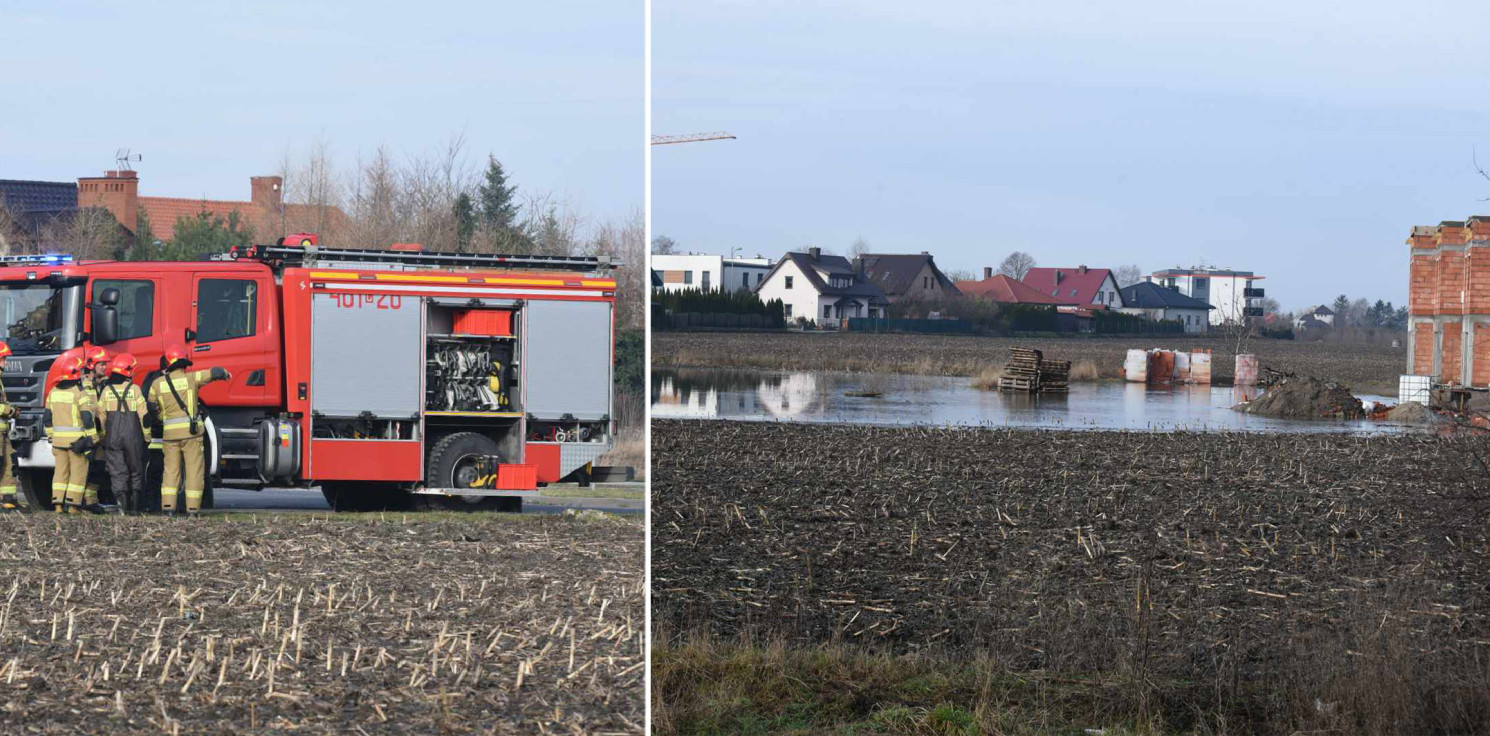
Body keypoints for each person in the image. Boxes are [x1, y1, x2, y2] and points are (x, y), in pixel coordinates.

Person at [147, 344, 229, 515]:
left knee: (171, 472)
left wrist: (165, 420)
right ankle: (192, 509)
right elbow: (214, 373)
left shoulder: (156, 384)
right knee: (194, 471)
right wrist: (225, 373)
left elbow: (152, 410)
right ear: (183, 363)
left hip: (169, 436)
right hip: (192, 436)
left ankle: (168, 508)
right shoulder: (191, 378)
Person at [43, 352, 96, 513]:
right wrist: (92, 437)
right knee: (77, 474)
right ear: (73, 373)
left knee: (60, 473)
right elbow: (87, 419)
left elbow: (47, 418)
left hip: (58, 442)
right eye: (79, 371)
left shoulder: (53, 393)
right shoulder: (79, 393)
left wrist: (52, 435)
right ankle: (73, 506)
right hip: (77, 442)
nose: (82, 375)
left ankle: (58, 504)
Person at [98, 354, 148, 513]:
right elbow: (144, 416)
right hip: (133, 435)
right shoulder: (135, 389)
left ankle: (122, 508)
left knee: (117, 470)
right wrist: (147, 437)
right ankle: (134, 508)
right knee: (135, 469)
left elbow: (101, 416)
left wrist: (101, 437)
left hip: (112, 436)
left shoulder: (106, 390)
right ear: (128, 371)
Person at [81, 345, 111, 512]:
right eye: (102, 364)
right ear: (92, 365)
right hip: (87, 435)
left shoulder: (105, 386)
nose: (105, 367)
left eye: (105, 364)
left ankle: (91, 501)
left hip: (101, 434)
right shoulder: (83, 386)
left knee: (98, 468)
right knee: (85, 468)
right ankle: (79, 501)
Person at [0, 341, 18, 510]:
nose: (6, 363)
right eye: (4, 359)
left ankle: (8, 499)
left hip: (3, 431)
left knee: (9, 462)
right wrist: (9, 410)